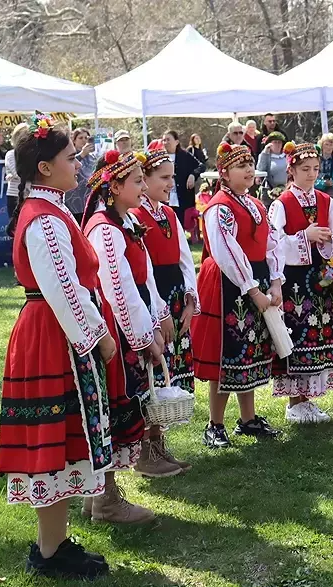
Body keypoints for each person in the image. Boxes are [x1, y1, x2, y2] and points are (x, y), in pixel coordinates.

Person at [0, 116, 114, 579]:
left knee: (66, 442)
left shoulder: (52, 209)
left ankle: (55, 544)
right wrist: (99, 338)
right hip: (53, 336)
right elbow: (63, 289)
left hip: (56, 332)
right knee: (53, 443)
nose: (78, 162)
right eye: (71, 157)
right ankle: (50, 552)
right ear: (45, 167)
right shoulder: (44, 220)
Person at [82, 150, 168, 525]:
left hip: (127, 326)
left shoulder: (126, 220)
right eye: (136, 181)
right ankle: (106, 500)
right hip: (114, 330)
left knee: (116, 408)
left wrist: (159, 314)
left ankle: (98, 497)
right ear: (114, 187)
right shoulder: (104, 228)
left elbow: (144, 276)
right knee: (112, 409)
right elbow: (118, 289)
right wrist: (142, 337)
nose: (143, 185)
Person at [191, 143, 283, 448]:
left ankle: (248, 419)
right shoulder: (219, 207)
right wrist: (252, 288)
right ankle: (214, 424)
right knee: (226, 355)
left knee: (249, 353)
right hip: (228, 285)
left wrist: (276, 282)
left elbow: (270, 245)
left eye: (250, 164)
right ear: (224, 173)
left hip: (254, 281)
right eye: (240, 165)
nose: (248, 170)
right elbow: (227, 253)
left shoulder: (255, 205)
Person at [129, 149, 200, 472]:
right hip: (154, 301)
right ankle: (146, 450)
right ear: (144, 179)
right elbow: (142, 269)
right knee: (154, 372)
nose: (172, 183)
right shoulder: (135, 217)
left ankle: (159, 445)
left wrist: (189, 299)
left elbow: (185, 258)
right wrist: (161, 314)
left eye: (172, 177)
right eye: (165, 178)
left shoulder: (169, 214)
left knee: (171, 369)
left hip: (175, 298)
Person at [268, 142, 333, 422]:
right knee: (298, 335)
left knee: (317, 334)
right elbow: (273, 242)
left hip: (320, 278)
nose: (311, 174)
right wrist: (304, 237)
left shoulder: (326, 202)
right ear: (291, 170)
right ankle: (294, 401)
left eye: (315, 169)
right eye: (305, 169)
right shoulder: (282, 203)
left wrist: (327, 239)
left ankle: (307, 399)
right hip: (295, 281)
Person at [162, 130, 206, 225]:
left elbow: (201, 166)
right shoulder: (161, 157)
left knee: (181, 227)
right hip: (165, 200)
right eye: (164, 140)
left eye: (168, 140)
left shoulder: (184, 155)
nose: (165, 143)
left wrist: (193, 175)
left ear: (176, 142)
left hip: (182, 201)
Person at [63, 127, 97, 224]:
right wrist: (82, 154)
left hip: (88, 199)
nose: (84, 140)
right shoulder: (70, 155)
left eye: (86, 138)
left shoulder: (92, 157)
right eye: (81, 138)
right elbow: (67, 165)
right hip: (74, 201)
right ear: (74, 140)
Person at [256, 131, 289, 206]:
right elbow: (260, 169)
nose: (277, 145)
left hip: (286, 189)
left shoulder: (286, 156)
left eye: (279, 142)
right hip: (270, 191)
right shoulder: (266, 156)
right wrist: (265, 153)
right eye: (275, 142)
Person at [4, 123, 28, 220]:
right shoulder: (10, 154)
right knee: (15, 229)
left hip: (29, 195)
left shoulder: (31, 154)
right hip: (15, 196)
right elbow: (17, 173)